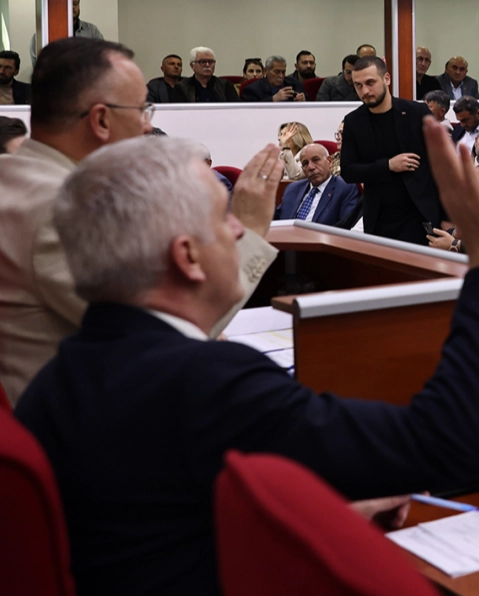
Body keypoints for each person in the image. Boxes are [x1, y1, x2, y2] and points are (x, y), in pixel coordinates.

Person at [15, 122, 479, 596]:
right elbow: (445, 442)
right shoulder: (205, 384)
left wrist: (307, 517)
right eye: (226, 219)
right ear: (187, 257)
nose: (242, 229)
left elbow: (162, 517)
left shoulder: (59, 379)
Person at [0, 38, 279, 406]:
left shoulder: (13, 176)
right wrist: (250, 230)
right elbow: (175, 334)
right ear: (100, 119)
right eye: (143, 110)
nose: (148, 127)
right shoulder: (61, 209)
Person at [339, 56, 442, 244]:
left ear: (386, 79)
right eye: (358, 85)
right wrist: (388, 165)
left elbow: (441, 167)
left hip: (419, 213)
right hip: (378, 216)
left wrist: (446, 217)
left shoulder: (417, 113)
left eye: (370, 82)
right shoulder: (353, 121)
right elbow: (348, 171)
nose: (365, 91)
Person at [274, 143, 361, 227]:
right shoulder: (293, 189)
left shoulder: (344, 187)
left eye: (316, 160)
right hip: (288, 238)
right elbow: (275, 219)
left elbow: (346, 226)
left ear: (330, 162)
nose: (311, 167)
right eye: (305, 163)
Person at [29, 0, 105, 62]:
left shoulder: (92, 31)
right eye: (68, 4)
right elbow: (38, 64)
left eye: (75, 4)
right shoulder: (44, 33)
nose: (72, 7)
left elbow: (103, 55)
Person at [240, 55, 306, 103]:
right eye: (276, 72)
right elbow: (250, 111)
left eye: (283, 72)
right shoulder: (251, 90)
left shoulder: (295, 84)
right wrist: (273, 100)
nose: (281, 76)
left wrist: (303, 100)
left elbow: (310, 103)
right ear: (266, 71)